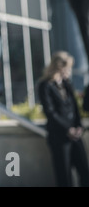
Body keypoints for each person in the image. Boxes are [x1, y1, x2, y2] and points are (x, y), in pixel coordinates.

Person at [37, 51, 89, 187]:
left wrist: (79, 126)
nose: (68, 71)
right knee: (64, 175)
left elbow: (75, 107)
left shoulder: (66, 83)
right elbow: (50, 112)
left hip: (75, 135)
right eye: (66, 68)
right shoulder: (45, 86)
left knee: (84, 171)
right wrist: (67, 129)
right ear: (58, 68)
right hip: (59, 136)